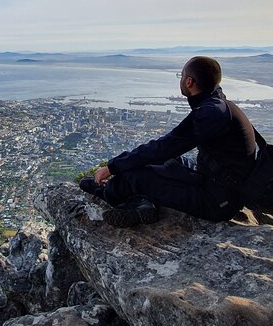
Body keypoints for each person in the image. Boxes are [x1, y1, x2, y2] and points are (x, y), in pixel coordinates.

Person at [80, 56, 257, 227]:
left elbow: (165, 147)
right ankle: (141, 204)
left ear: (189, 81)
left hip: (217, 200)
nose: (179, 80)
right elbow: (166, 151)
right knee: (166, 163)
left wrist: (112, 167)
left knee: (134, 178)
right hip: (215, 180)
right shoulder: (219, 105)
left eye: (180, 76)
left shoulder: (210, 113)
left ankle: (107, 192)